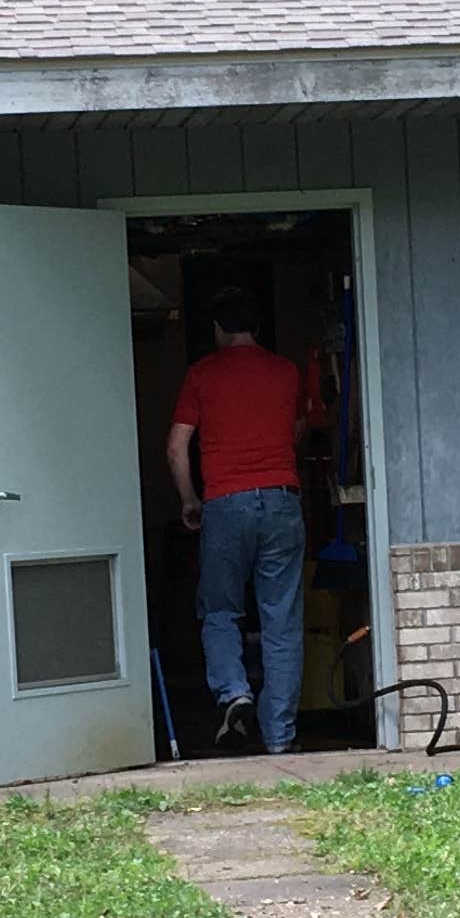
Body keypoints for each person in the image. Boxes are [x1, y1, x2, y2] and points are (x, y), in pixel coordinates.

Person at [165, 290, 322, 756]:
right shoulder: (285, 371)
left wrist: (190, 499)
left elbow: (176, 446)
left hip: (225, 504)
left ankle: (234, 689)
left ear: (217, 328)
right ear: (257, 327)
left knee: (219, 610)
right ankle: (279, 737)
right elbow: (296, 429)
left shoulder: (202, 374)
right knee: (281, 621)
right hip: (281, 500)